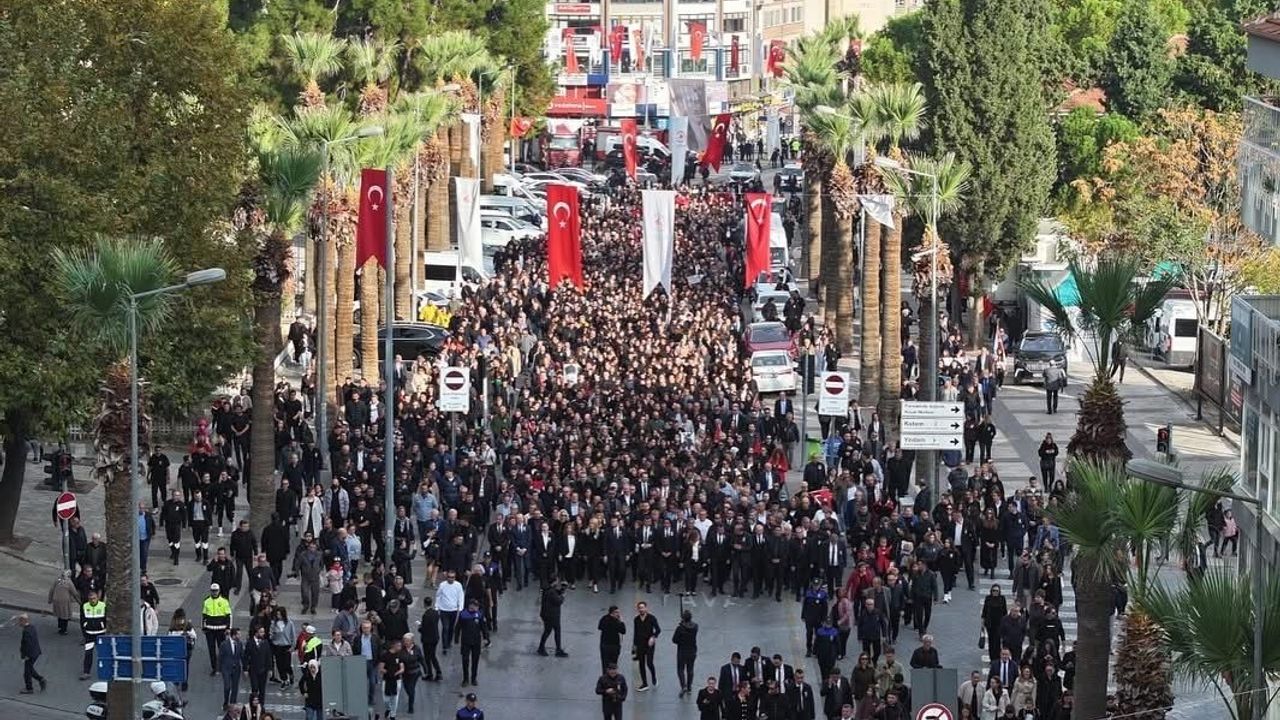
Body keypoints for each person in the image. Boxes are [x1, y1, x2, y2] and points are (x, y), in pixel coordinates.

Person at [456, 598, 489, 686]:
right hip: (466, 641)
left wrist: (486, 638)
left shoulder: (479, 615)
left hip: (476, 641)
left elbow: (484, 627)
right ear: (470, 605)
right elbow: (458, 627)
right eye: (476, 606)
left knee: (475, 660)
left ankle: (474, 678)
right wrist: (456, 638)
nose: (477, 607)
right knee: (465, 660)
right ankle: (465, 679)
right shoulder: (463, 615)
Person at [202, 582, 233, 674]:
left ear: (219, 591)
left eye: (216, 591)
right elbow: (204, 616)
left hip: (221, 629)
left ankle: (222, 666)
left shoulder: (224, 601)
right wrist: (204, 627)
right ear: (210, 591)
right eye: (213, 591)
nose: (214, 592)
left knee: (222, 649)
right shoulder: (206, 601)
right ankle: (214, 668)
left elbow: (229, 616)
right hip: (210, 629)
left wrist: (229, 628)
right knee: (211, 650)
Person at [632, 600, 661, 691]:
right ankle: (644, 683)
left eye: (642, 607)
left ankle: (654, 676)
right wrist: (634, 646)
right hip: (640, 644)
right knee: (641, 664)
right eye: (639, 608)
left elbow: (658, 630)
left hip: (649, 644)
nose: (641, 609)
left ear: (646, 608)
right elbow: (635, 633)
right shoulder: (636, 619)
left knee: (649, 662)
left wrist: (653, 637)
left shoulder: (651, 618)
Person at [80, 589, 107, 680]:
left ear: (97, 598)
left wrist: (105, 628)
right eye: (91, 599)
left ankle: (105, 672)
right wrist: (84, 631)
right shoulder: (85, 606)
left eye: (94, 598)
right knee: (88, 653)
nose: (92, 600)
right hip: (89, 635)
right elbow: (82, 620)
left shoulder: (103, 605)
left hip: (101, 634)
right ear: (88, 599)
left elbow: (106, 618)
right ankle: (86, 672)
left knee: (103, 654)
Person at [671, 609, 699, 696]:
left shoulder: (680, 628)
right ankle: (689, 687)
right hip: (692, 650)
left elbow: (674, 640)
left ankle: (683, 686)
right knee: (690, 669)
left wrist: (681, 625)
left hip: (682, 651)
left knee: (680, 669)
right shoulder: (695, 627)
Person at [537, 581, 568, 657]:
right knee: (551, 631)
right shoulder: (551, 592)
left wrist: (561, 591)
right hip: (551, 615)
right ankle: (556, 649)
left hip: (548, 614)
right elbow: (558, 601)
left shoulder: (548, 589)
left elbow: (555, 593)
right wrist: (563, 596)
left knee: (550, 631)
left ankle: (545, 648)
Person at [17, 614, 46, 694]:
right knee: (29, 669)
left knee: (27, 672)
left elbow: (27, 644)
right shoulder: (32, 627)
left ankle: (29, 688)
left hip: (30, 654)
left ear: (23, 621)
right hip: (35, 652)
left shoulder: (26, 631)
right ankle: (41, 680)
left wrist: (25, 656)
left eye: (20, 621)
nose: (19, 623)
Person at [219, 627, 245, 709]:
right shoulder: (224, 644)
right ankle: (226, 701)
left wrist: (245, 668)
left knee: (235, 687)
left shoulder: (240, 644)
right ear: (234, 635)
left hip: (236, 668)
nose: (240, 636)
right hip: (226, 668)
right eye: (238, 634)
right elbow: (220, 657)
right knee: (227, 686)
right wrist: (220, 668)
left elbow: (242, 656)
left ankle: (232, 703)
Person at [47, 570, 78, 635]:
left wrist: (50, 599)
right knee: (65, 615)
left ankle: (60, 627)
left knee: (59, 614)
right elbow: (74, 592)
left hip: (56, 600)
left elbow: (51, 590)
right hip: (65, 601)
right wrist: (78, 600)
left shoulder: (57, 580)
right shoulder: (69, 582)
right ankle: (64, 629)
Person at [419, 597, 442, 682]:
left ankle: (430, 674)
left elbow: (424, 629)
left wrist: (420, 628)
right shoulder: (435, 613)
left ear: (424, 604)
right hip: (435, 637)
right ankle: (438, 672)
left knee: (427, 657)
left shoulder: (426, 615)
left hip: (427, 639)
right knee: (433, 656)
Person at [598, 605, 627, 672]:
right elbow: (623, 631)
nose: (618, 614)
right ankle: (609, 676)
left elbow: (600, 627)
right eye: (617, 612)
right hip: (610, 645)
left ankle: (608, 676)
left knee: (609, 664)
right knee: (610, 664)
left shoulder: (604, 618)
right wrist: (621, 622)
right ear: (612, 613)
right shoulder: (615, 621)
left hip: (609, 645)